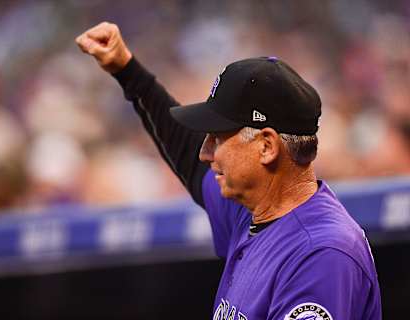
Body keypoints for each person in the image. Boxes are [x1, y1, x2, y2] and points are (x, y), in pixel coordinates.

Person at [76, 22, 382, 320]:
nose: (205, 151)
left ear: (266, 147)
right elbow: (187, 155)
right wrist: (127, 70)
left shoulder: (321, 254)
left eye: (217, 137)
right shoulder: (252, 209)